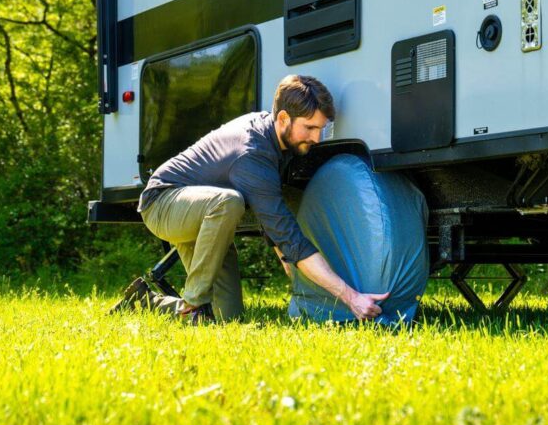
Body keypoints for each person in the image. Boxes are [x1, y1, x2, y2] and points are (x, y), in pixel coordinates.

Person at [113, 74, 389, 323]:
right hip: (163, 203)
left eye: (321, 129)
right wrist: (351, 298)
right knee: (228, 202)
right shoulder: (253, 153)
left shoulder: (277, 140)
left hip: (204, 214)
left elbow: (275, 228)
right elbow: (288, 236)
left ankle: (142, 301)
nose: (316, 138)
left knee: (227, 317)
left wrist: (303, 290)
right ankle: (195, 303)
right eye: (309, 128)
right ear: (283, 118)